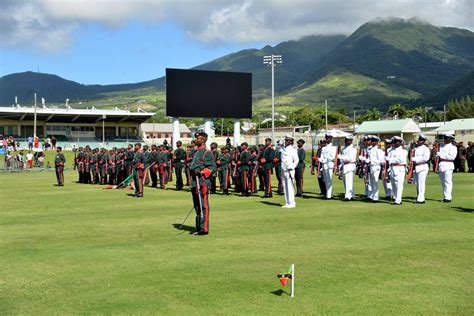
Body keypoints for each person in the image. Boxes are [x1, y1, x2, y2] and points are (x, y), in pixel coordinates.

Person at [189, 132, 216, 236]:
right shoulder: (196, 152)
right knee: (197, 205)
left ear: (203, 140)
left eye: (198, 138)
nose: (196, 140)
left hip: (202, 182)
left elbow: (212, 168)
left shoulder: (207, 153)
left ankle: (204, 229)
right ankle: (198, 227)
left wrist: (201, 172)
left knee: (203, 205)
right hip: (194, 182)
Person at [386, 136, 407, 205]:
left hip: (399, 169)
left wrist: (390, 159)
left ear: (400, 143)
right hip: (392, 169)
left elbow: (400, 160)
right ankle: (395, 198)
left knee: (399, 185)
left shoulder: (403, 151)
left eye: (395, 142)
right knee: (393, 185)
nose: (393, 144)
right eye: (393, 142)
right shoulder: (391, 151)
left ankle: (398, 200)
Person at [436, 132, 457, 203]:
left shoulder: (453, 147)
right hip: (441, 165)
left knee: (447, 182)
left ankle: (448, 198)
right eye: (444, 138)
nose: (444, 139)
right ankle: (445, 196)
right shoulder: (441, 146)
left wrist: (441, 155)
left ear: (451, 139)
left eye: (446, 138)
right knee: (443, 183)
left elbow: (452, 157)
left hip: (448, 165)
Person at [280, 135, 299, 208]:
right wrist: (281, 141)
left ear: (291, 141)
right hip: (283, 168)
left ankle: (292, 202)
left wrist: (291, 166)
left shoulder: (293, 150)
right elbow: (277, 148)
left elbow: (296, 160)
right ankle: (287, 202)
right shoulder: (283, 149)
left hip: (289, 170)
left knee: (290, 186)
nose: (286, 141)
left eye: (287, 140)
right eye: (285, 140)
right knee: (285, 186)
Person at [411, 134, 430, 204]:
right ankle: (420, 197)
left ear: (424, 141)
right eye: (419, 140)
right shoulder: (415, 148)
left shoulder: (426, 149)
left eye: (421, 140)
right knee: (418, 184)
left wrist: (415, 159)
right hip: (416, 167)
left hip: (422, 166)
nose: (419, 141)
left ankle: (421, 199)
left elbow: (426, 158)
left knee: (421, 183)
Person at [338, 135, 357, 201]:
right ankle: (352, 194)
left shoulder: (352, 149)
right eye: (345, 140)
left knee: (348, 181)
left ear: (351, 141)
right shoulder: (345, 148)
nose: (345, 141)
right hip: (344, 166)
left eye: (347, 140)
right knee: (346, 182)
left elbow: (349, 158)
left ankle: (348, 196)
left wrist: (341, 157)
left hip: (349, 165)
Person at [367, 136, 384, 203]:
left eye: (373, 141)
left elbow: (381, 160)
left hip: (376, 167)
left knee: (375, 182)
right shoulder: (371, 149)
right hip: (371, 167)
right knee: (371, 183)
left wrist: (372, 161)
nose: (371, 142)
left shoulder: (378, 150)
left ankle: (375, 198)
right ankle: (372, 196)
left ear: (376, 142)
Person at [320, 133, 337, 199]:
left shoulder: (333, 147)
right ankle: (330, 194)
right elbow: (322, 157)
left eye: (328, 138)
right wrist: (319, 159)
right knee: (326, 181)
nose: (326, 139)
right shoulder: (323, 148)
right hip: (324, 165)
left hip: (329, 165)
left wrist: (324, 159)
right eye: (326, 138)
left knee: (329, 181)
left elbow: (332, 157)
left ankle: (329, 196)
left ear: (331, 139)